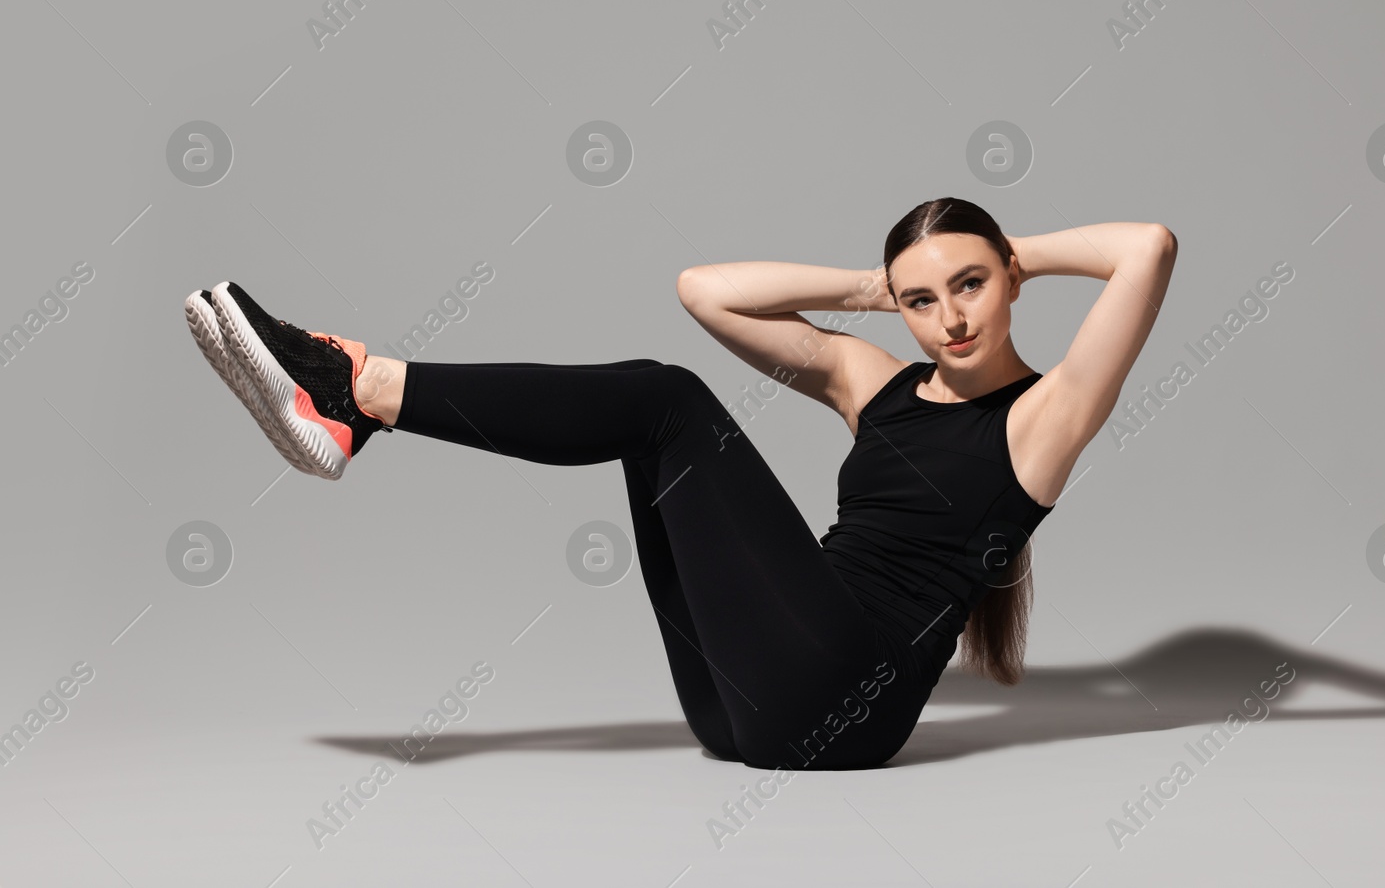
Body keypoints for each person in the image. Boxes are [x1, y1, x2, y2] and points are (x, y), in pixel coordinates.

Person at [183, 197, 1176, 769]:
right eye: (921, 299)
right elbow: (703, 288)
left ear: (1006, 280)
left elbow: (1148, 247)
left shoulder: (1047, 417)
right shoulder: (874, 380)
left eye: (970, 287)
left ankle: (356, 389)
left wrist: (1004, 255)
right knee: (650, 431)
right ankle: (349, 399)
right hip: (743, 703)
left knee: (665, 399)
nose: (950, 316)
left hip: (842, 701)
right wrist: (868, 286)